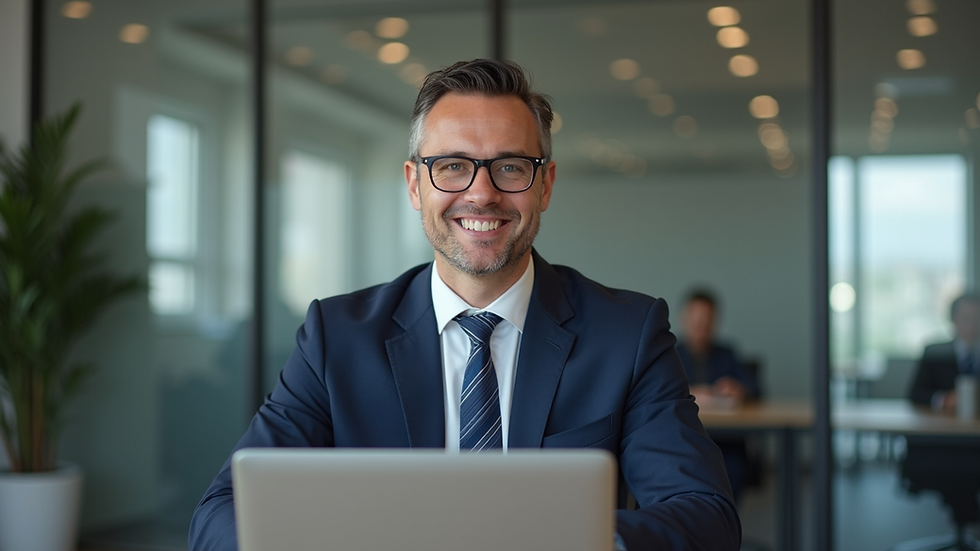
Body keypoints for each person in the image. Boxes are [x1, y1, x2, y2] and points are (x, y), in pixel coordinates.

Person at [188, 59, 740, 551]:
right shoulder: (336, 337)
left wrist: (574, 541)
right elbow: (220, 513)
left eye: (511, 166)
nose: (481, 193)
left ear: (544, 185)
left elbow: (706, 516)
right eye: (452, 165)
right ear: (414, 185)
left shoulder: (627, 334)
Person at [674, 288, 760, 501]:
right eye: (696, 321)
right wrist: (688, 392)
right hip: (684, 440)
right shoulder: (670, 354)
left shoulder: (727, 354)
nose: (700, 327)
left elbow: (755, 388)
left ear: (715, 322)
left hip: (724, 444)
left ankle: (723, 527)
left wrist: (739, 389)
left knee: (733, 471)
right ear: (684, 319)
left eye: (706, 321)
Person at [909, 292, 980, 412]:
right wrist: (944, 399)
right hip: (944, 425)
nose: (972, 326)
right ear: (953, 319)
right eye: (966, 319)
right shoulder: (935, 352)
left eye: (977, 319)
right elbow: (916, 394)